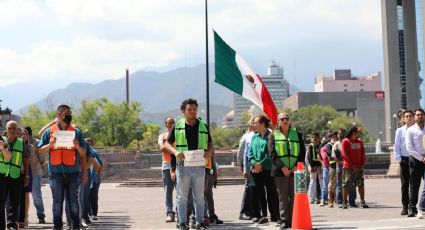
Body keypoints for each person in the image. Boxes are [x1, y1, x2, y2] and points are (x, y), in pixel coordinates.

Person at [161, 98, 213, 230]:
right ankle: (182, 223)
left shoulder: (203, 125)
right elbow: (166, 143)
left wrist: (209, 153)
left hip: (200, 166)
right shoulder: (177, 126)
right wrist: (175, 151)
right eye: (189, 109)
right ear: (183, 111)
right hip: (182, 166)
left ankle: (200, 222)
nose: (192, 111)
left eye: (194, 109)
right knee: (182, 196)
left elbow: (210, 143)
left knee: (200, 196)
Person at [38, 104, 88, 230]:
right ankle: (57, 226)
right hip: (55, 173)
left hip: (73, 173)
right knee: (57, 202)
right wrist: (49, 145)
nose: (69, 115)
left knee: (73, 202)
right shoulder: (49, 132)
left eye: (70, 113)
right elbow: (40, 151)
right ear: (59, 115)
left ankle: (75, 226)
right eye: (66, 113)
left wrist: (77, 146)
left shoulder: (76, 133)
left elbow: (83, 153)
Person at [269, 113, 305, 229]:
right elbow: (272, 153)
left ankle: (294, 220)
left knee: (294, 197)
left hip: (295, 170)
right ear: (278, 122)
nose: (285, 120)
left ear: (290, 121)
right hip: (280, 171)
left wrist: (297, 166)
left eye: (286, 118)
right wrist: (282, 167)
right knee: (283, 197)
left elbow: (302, 152)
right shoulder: (273, 135)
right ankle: (284, 220)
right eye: (282, 119)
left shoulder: (297, 134)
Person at [248, 115, 280, 226]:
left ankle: (275, 215)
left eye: (255, 122)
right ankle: (263, 215)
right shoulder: (253, 137)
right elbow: (250, 153)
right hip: (256, 170)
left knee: (271, 192)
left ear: (262, 124)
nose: (253, 125)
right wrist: (254, 163)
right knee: (259, 193)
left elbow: (270, 153)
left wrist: (260, 164)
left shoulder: (271, 136)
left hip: (268, 168)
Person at [0, 121, 30, 230]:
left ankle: (11, 224)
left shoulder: (22, 143)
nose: (12, 130)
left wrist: (26, 175)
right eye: (10, 128)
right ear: (6, 129)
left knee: (14, 201)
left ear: (17, 130)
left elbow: (26, 160)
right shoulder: (1, 142)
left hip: (16, 175)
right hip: (2, 174)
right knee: (1, 201)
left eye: (14, 128)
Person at [341, 126, 369, 209]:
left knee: (361, 184)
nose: (357, 134)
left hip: (359, 167)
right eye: (356, 132)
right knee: (346, 184)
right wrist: (352, 165)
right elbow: (344, 154)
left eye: (358, 132)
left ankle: (362, 201)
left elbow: (363, 154)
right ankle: (345, 202)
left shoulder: (359, 142)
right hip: (348, 167)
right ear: (352, 133)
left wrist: (362, 164)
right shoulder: (345, 141)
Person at [394, 110, 414, 215]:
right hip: (404, 159)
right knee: (404, 184)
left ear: (413, 117)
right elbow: (397, 146)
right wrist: (399, 159)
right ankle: (405, 206)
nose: (409, 118)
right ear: (404, 118)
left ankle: (412, 206)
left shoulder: (417, 130)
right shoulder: (400, 131)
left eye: (410, 116)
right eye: (406, 116)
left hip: (415, 159)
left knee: (414, 184)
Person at [25, 126, 47, 224]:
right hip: (24, 173)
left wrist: (40, 169)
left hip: (35, 172)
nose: (25, 136)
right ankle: (23, 217)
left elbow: (42, 158)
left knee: (36, 195)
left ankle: (41, 215)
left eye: (26, 134)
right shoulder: (20, 142)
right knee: (24, 196)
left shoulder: (37, 142)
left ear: (29, 134)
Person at [406, 108, 425, 218]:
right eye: (417, 115)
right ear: (415, 117)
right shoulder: (411, 130)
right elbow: (409, 148)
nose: (420, 116)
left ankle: (422, 207)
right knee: (414, 185)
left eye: (422, 114)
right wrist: (421, 158)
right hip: (415, 160)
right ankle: (412, 208)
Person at [158, 117, 177, 223]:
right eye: (167, 123)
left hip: (178, 165)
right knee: (168, 192)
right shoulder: (162, 136)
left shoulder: (178, 135)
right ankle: (170, 213)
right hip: (166, 166)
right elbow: (162, 148)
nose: (169, 124)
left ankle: (180, 212)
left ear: (174, 124)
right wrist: (174, 150)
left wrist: (168, 148)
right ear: (165, 124)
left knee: (181, 192)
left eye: (171, 123)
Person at [238, 118, 255, 220]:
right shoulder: (246, 137)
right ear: (249, 125)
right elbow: (240, 154)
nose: (254, 125)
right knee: (248, 189)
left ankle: (252, 211)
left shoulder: (255, 135)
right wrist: (242, 167)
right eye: (252, 123)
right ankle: (244, 211)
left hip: (253, 167)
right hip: (248, 167)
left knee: (253, 190)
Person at [321, 132, 338, 208]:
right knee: (331, 184)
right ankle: (330, 201)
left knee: (339, 184)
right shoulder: (328, 145)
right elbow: (330, 154)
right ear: (331, 138)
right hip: (332, 167)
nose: (335, 138)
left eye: (335, 136)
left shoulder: (338, 144)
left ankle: (339, 200)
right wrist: (339, 159)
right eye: (333, 137)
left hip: (340, 166)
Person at [87, 138, 103, 221]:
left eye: (90, 144)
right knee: (86, 197)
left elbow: (100, 164)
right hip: (86, 179)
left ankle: (94, 213)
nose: (89, 145)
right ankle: (88, 213)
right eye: (87, 144)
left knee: (94, 197)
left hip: (94, 178)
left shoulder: (94, 153)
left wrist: (99, 174)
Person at [305, 132, 322, 204]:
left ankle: (321, 198)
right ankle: (311, 198)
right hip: (313, 167)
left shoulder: (321, 146)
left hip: (321, 166)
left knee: (321, 182)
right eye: (313, 137)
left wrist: (322, 166)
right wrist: (309, 167)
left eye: (316, 137)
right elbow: (307, 158)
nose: (314, 139)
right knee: (312, 182)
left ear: (319, 138)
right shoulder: (310, 146)